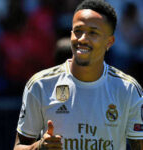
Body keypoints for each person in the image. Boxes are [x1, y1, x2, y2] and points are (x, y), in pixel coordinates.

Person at [13, 0, 143, 149]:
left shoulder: (128, 89)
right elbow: (19, 146)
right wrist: (39, 147)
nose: (82, 39)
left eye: (93, 33)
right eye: (78, 31)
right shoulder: (40, 85)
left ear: (109, 42)